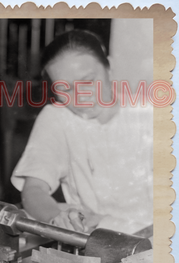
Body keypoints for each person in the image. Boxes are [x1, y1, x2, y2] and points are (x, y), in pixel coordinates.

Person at [11, 30, 153, 235]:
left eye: (87, 81)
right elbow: (33, 189)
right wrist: (55, 217)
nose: (80, 97)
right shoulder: (57, 117)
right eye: (65, 89)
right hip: (94, 238)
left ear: (109, 67)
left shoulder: (149, 113)